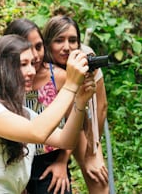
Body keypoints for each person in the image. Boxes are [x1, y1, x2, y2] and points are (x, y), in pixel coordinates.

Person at [0, 34, 96, 193]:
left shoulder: (25, 114)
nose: (32, 71)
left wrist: (80, 102)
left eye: (32, 64)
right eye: (23, 64)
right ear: (3, 68)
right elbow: (37, 132)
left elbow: (66, 140)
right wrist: (70, 84)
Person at [4, 18, 73, 194]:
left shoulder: (58, 77)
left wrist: (62, 162)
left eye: (39, 46)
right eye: (27, 48)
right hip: (14, 162)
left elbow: (74, 124)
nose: (35, 55)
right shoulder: (5, 84)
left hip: (50, 162)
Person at [42, 15, 109, 194]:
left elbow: (101, 107)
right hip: (52, 121)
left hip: (82, 120)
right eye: (59, 40)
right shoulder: (41, 62)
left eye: (72, 40)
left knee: (98, 177)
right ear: (47, 43)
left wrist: (92, 151)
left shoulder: (86, 57)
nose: (67, 47)